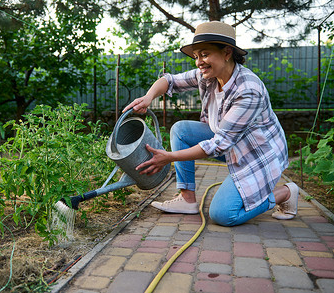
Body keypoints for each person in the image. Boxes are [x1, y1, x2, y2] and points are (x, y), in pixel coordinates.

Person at [122, 21, 299, 227]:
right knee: (181, 130)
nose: (199, 62)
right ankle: (187, 200)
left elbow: (218, 145)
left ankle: (285, 193)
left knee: (223, 214)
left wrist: (169, 158)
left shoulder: (248, 90)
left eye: (204, 54)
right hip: (230, 144)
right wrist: (148, 97)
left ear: (226, 52)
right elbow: (169, 81)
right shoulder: (208, 76)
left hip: (257, 155)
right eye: (196, 56)